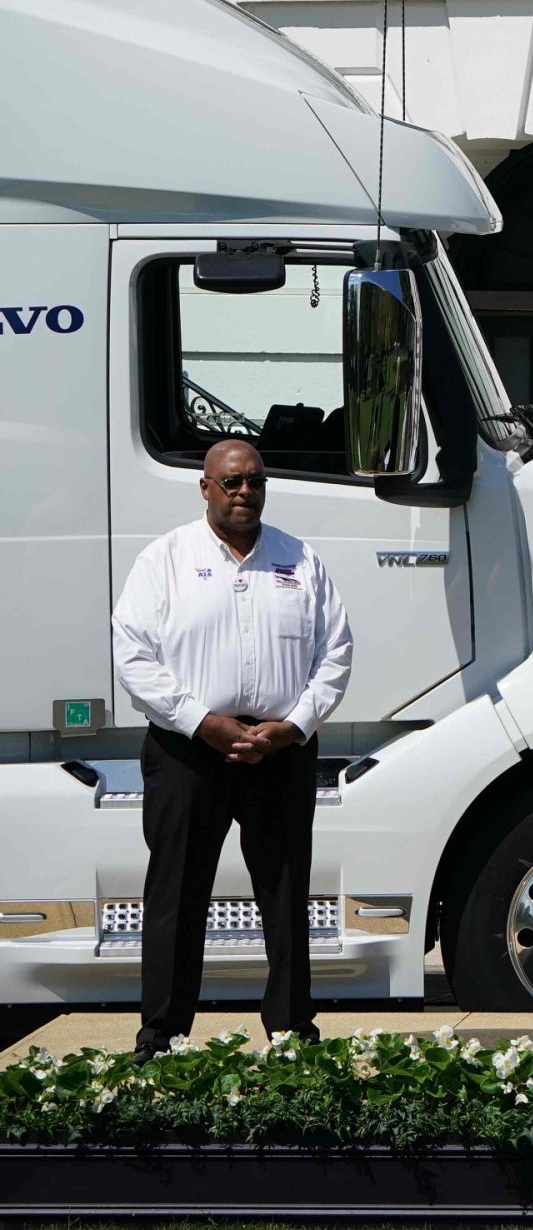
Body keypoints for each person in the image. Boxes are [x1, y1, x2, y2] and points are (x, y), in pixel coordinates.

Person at [110, 438, 352, 1059]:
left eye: (255, 481)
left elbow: (336, 653)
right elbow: (133, 656)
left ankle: (293, 1030)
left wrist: (293, 726)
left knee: (286, 890)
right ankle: (160, 1034)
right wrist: (201, 722)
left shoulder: (299, 560)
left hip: (281, 750)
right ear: (206, 488)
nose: (244, 491)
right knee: (177, 892)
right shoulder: (165, 559)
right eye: (231, 482)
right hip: (189, 751)